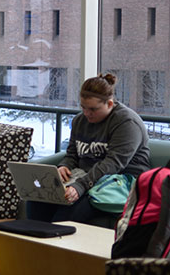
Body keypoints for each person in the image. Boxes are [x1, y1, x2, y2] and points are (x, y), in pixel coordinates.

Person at [27, 73, 150, 223]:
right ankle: (34, 244)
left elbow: (113, 164)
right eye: (83, 107)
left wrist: (80, 186)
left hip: (121, 179)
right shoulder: (80, 120)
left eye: (93, 109)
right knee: (37, 200)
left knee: (71, 210)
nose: (87, 113)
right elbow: (72, 153)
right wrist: (64, 166)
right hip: (87, 176)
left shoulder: (127, 123)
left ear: (110, 104)